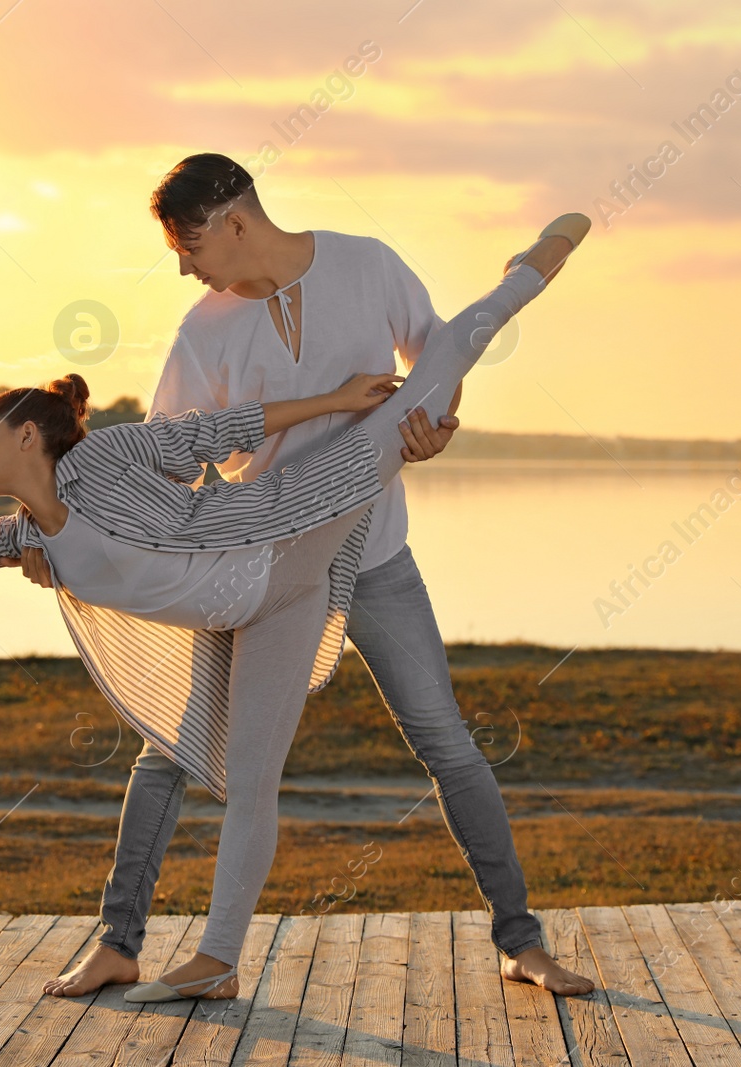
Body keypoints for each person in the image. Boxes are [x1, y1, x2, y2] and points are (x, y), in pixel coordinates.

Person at [0, 212, 591, 1002]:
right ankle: (190, 956)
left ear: (28, 437)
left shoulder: (110, 454)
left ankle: (525, 274)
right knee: (216, 767)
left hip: (291, 523)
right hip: (252, 609)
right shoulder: (23, 535)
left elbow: (215, 433)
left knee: (433, 380)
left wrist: (344, 404)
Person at [39, 154, 594, 1002]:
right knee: (170, 751)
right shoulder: (205, 329)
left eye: (188, 243)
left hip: (376, 559)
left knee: (445, 741)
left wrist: (435, 430)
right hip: (257, 570)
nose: (184, 264)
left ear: (234, 220)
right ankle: (119, 940)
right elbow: (167, 463)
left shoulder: (366, 264)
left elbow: (437, 358)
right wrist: (74, 542)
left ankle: (522, 942)